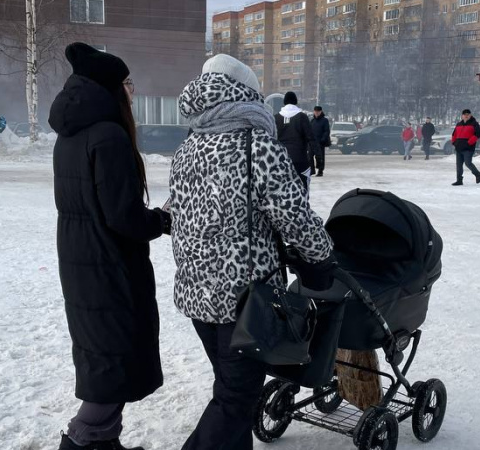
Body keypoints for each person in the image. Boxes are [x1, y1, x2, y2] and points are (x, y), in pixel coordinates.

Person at [170, 53, 334, 450]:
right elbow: (294, 215)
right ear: (246, 94)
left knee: (230, 391)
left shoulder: (188, 146)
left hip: (198, 297)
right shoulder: (257, 145)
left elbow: (178, 213)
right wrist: (322, 258)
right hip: (246, 302)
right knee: (235, 398)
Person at [49, 43, 170, 450]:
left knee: (104, 357)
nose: (131, 91)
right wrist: (163, 219)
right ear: (111, 88)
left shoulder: (72, 132)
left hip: (83, 259)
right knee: (113, 367)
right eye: (127, 83)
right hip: (109, 266)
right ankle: (81, 442)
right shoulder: (109, 135)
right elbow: (125, 217)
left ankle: (106, 443)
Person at [275, 91, 318, 189]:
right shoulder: (302, 117)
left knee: (282, 189)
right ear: (295, 101)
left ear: (284, 102)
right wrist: (318, 156)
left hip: (281, 160)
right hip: (300, 159)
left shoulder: (276, 118)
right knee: (302, 188)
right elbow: (311, 138)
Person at [451, 109, 480, 185]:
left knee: (468, 163)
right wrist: (454, 142)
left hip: (468, 148)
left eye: (468, 114)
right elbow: (454, 135)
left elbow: (477, 135)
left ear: (470, 115)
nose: (466, 115)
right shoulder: (459, 124)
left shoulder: (474, 124)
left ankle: (477, 174)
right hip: (459, 148)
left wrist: (468, 143)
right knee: (459, 165)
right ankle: (459, 180)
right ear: (462, 116)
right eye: (464, 114)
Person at [310, 105, 330, 177]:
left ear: (321, 112)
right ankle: (311, 170)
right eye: (315, 111)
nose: (316, 113)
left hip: (320, 142)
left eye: (318, 112)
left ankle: (320, 170)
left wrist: (323, 139)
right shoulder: (312, 121)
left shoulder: (324, 120)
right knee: (310, 156)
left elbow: (326, 131)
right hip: (312, 142)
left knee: (320, 157)